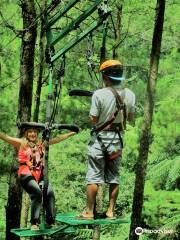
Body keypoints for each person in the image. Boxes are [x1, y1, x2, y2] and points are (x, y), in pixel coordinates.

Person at [77, 59, 135, 220]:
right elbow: (131, 119)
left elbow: (94, 119)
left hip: (99, 140)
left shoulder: (99, 94)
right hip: (117, 141)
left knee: (93, 176)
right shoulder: (130, 94)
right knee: (114, 177)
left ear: (105, 76)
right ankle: (110, 211)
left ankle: (89, 211)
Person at [0, 123, 78, 230]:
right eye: (30, 132)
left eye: (35, 132)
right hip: (26, 174)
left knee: (49, 193)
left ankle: (50, 222)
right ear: (26, 133)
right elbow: (5, 137)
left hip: (39, 175)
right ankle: (34, 223)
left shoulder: (41, 144)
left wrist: (70, 134)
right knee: (37, 193)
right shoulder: (21, 143)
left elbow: (57, 139)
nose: (33, 134)